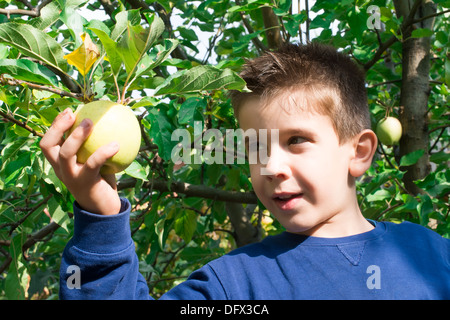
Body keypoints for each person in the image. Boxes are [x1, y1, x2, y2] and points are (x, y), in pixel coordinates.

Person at [40, 42, 450, 300]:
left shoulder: (432, 255)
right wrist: (102, 219)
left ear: (359, 153)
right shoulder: (232, 287)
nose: (270, 166)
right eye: (255, 146)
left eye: (295, 141)